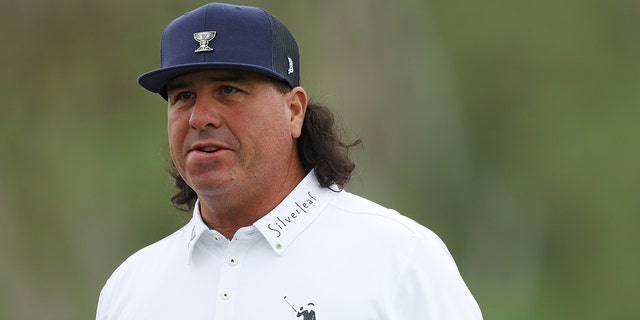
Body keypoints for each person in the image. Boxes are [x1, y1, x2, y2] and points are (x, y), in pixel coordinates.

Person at [96, 2, 482, 319]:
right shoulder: (130, 288)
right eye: (182, 96)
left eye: (228, 90)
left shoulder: (400, 258)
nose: (200, 117)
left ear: (294, 111)